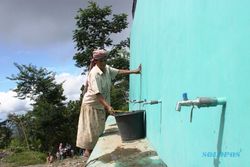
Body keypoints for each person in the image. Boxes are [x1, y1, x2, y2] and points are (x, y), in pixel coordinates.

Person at [76, 49, 141, 158]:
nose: (103, 63)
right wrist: (108, 106)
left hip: (100, 105)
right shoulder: (94, 74)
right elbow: (98, 94)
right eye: (101, 61)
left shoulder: (106, 69)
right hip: (91, 105)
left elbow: (118, 71)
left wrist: (134, 71)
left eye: (105, 60)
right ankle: (88, 154)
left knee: (98, 129)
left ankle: (93, 152)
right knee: (91, 131)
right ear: (95, 61)